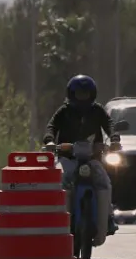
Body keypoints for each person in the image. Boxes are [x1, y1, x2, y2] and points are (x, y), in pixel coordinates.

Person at [44, 74, 117, 241]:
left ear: (92, 94)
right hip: (67, 158)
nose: (83, 98)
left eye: (86, 94)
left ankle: (108, 218)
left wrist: (114, 138)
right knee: (61, 181)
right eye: (79, 94)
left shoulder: (97, 110)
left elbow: (109, 124)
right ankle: (57, 220)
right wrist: (49, 140)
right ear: (71, 94)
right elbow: (51, 126)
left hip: (93, 158)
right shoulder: (64, 111)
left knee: (104, 182)